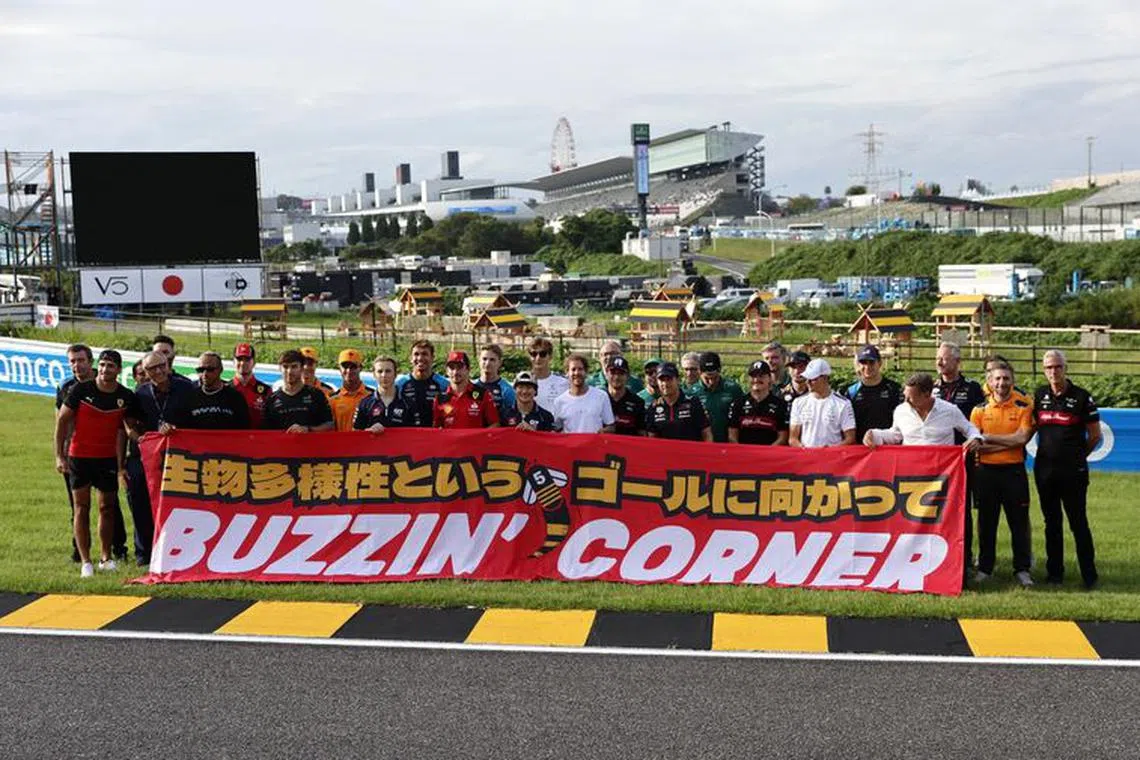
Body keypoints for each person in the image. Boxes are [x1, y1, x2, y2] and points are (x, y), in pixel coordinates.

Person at [54, 350, 140, 578]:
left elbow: (129, 428)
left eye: (110, 366)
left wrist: (138, 438)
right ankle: (86, 562)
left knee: (107, 508)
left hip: (107, 459)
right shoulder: (80, 390)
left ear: (119, 370)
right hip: (79, 457)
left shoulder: (126, 396)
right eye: (101, 365)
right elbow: (61, 422)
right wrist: (59, 456)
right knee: (81, 508)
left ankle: (106, 557)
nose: (104, 370)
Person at [1033, 349, 1101, 588]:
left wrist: (1078, 457)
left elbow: (1095, 435)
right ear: (1044, 370)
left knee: (1078, 523)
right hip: (1045, 471)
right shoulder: (1039, 395)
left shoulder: (1082, 397)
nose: (1053, 371)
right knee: (1051, 523)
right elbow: (1031, 429)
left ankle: (1089, 576)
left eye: (1058, 367)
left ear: (1065, 368)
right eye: (1049, 367)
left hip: (1073, 472)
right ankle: (1055, 575)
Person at [970, 361, 1035, 587]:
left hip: (1014, 472)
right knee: (987, 522)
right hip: (986, 472)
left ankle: (1022, 569)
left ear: (1012, 381)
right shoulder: (978, 410)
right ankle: (985, 568)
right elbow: (975, 445)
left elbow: (1022, 439)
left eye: (1006, 378)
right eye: (997, 379)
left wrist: (989, 439)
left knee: (1018, 522)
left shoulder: (1023, 406)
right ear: (989, 382)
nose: (1001, 383)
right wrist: (1008, 443)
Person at [129, 349, 195, 565]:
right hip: (149, 457)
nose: (158, 371)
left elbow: (198, 421)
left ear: (168, 365)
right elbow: (130, 424)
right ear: (145, 372)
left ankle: (182, 549)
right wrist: (141, 439)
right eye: (151, 368)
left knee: (182, 504)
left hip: (182, 456)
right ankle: (144, 553)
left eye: (161, 366)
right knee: (140, 498)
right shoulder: (140, 394)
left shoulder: (186, 388)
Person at [933, 341, 986, 581]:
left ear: (957, 361)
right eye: (938, 358)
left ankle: (965, 559)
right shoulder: (930, 388)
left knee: (964, 510)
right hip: (936, 462)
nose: (940, 362)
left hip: (964, 459)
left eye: (944, 358)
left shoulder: (973, 388)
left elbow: (979, 422)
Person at [864, 372, 982, 448]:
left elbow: (969, 428)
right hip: (913, 472)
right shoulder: (901, 411)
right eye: (905, 396)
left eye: (910, 398)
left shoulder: (949, 410)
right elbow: (896, 435)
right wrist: (874, 434)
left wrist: (975, 439)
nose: (906, 401)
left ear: (926, 394)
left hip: (942, 472)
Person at [163, 351, 251, 431]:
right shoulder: (188, 397)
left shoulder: (235, 397)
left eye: (210, 370)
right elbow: (178, 427)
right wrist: (168, 428)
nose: (204, 374)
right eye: (200, 370)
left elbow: (244, 431)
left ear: (220, 370)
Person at [788, 359, 856, 448]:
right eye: (807, 378)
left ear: (825, 378)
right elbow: (793, 438)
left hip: (832, 458)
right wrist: (802, 447)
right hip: (806, 457)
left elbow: (850, 438)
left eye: (813, 379)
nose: (808, 382)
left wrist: (830, 450)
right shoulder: (798, 402)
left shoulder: (843, 404)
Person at [263, 350, 335, 433]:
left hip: (311, 445)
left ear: (301, 368)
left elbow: (330, 425)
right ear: (279, 368)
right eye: (285, 367)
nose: (289, 371)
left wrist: (308, 430)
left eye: (294, 367)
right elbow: (266, 434)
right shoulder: (272, 400)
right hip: (282, 446)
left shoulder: (316, 395)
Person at [846, 345, 904, 443]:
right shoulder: (850, 391)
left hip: (887, 448)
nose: (867, 367)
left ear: (880, 363)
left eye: (871, 362)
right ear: (857, 364)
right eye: (863, 362)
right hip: (860, 449)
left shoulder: (894, 389)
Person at [432, 351, 500, 429]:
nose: (455, 372)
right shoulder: (440, 398)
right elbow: (436, 429)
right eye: (452, 367)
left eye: (460, 367)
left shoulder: (483, 394)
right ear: (447, 371)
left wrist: (481, 439)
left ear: (468, 369)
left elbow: (495, 424)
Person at [646, 362, 712, 441]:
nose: (665, 384)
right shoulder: (653, 408)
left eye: (669, 379)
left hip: (691, 452)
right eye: (661, 380)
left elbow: (706, 433)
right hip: (665, 453)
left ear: (678, 380)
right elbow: (652, 439)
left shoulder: (693, 403)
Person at [727, 360, 789, 445]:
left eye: (761, 376)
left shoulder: (781, 405)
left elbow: (783, 437)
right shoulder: (738, 404)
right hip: (743, 454)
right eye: (753, 376)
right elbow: (732, 436)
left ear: (769, 378)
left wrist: (766, 454)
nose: (756, 379)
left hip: (770, 455)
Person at [688, 351, 744, 443]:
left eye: (714, 378)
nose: (711, 382)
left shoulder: (733, 389)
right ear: (699, 372)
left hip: (728, 444)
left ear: (719, 370)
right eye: (707, 378)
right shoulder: (691, 393)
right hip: (703, 446)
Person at [553, 353, 615, 433]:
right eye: (573, 369)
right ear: (567, 373)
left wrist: (602, 432)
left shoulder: (601, 396)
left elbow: (611, 427)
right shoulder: (559, 401)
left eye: (580, 369)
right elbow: (556, 429)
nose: (577, 373)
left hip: (594, 445)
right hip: (570, 445)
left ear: (586, 372)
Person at [395, 339, 449, 427]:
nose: (420, 358)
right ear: (411, 358)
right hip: (408, 435)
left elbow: (449, 411)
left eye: (424, 354)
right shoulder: (400, 384)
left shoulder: (443, 385)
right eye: (416, 354)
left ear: (432, 358)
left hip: (434, 436)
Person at [353, 355, 413, 432]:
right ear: (374, 375)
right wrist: (367, 432)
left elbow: (414, 435)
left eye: (388, 371)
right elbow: (356, 434)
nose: (384, 375)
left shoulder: (408, 403)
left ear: (395, 374)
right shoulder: (365, 403)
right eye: (380, 371)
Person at [329, 349, 371, 432]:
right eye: (345, 367)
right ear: (339, 369)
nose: (349, 371)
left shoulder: (371, 396)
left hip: (366, 444)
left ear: (360, 368)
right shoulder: (332, 399)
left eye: (353, 367)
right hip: (342, 444)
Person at [231, 342, 271, 428]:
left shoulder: (266, 391)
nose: (242, 363)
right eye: (239, 359)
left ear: (254, 362)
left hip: (257, 439)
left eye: (247, 359)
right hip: (232, 439)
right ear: (233, 362)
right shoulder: (225, 389)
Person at [605, 356, 646, 435]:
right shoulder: (599, 399)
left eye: (621, 373)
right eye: (613, 372)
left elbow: (642, 434)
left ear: (627, 376)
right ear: (606, 373)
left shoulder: (637, 402)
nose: (616, 377)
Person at [527, 336, 569, 411]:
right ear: (529, 357)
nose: (538, 358)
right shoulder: (521, 382)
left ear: (550, 357)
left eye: (542, 354)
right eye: (534, 354)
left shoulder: (563, 383)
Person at [474, 343, 516, 416]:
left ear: (499, 363)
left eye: (492, 360)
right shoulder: (471, 386)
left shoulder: (507, 390)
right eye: (484, 359)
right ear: (479, 360)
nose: (487, 363)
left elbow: (514, 418)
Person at [779, 350, 812, 418]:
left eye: (801, 366)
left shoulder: (816, 393)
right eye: (793, 367)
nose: (797, 371)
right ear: (788, 370)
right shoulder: (780, 393)